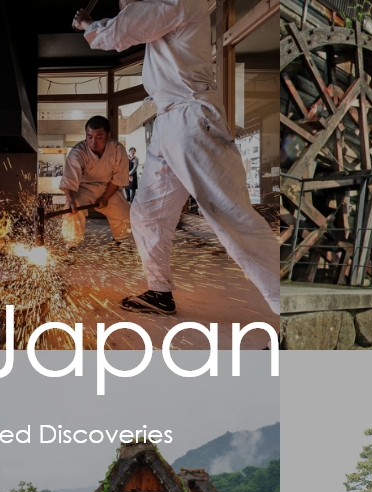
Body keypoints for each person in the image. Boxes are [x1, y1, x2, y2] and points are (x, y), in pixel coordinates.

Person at [74, 0, 282, 316]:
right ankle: (159, 292)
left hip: (191, 116)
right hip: (169, 120)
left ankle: (287, 312)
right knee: (147, 213)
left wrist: (88, 25)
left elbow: (121, 30)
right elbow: (137, 18)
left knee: (231, 218)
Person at [59, 115, 132, 244]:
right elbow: (70, 180)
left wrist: (104, 198)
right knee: (72, 211)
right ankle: (70, 245)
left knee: (124, 212)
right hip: (83, 189)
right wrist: (70, 200)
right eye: (89, 137)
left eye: (99, 137)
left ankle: (121, 242)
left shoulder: (117, 149)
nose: (93, 142)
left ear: (108, 135)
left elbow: (117, 179)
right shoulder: (78, 152)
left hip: (109, 188)